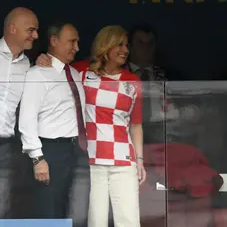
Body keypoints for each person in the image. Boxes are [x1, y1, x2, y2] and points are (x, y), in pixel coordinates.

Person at [36, 25, 146, 226]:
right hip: (90, 160)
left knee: (129, 220)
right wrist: (43, 59)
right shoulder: (81, 72)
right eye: (119, 45)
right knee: (96, 221)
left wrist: (139, 160)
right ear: (105, 47)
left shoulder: (133, 81)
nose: (126, 50)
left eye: (127, 45)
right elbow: (56, 68)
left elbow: (136, 125)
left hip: (123, 159)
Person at [18, 22, 87, 219]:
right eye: (72, 42)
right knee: (49, 208)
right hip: (50, 151)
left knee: (67, 206)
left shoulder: (74, 73)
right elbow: (27, 119)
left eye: (78, 42)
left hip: (75, 150)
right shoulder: (37, 74)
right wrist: (38, 158)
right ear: (54, 41)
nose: (77, 48)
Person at [0, 7, 38, 217]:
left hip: (5, 146)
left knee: (2, 205)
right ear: (13, 29)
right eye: (31, 30)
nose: (36, 35)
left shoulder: (28, 66)